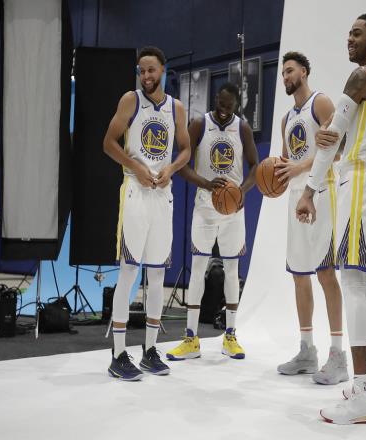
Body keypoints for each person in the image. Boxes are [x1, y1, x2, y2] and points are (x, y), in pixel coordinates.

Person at [296, 13, 366, 424]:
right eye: (348, 34)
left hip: (358, 182)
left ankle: (360, 396)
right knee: (363, 284)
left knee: (353, 282)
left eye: (357, 33)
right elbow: (339, 134)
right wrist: (334, 136)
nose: (349, 39)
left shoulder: (360, 77)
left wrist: (308, 190)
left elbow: (331, 135)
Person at [103, 46, 191, 380]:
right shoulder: (131, 100)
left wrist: (171, 168)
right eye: (141, 70)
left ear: (163, 70)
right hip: (136, 192)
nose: (146, 76)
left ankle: (150, 350)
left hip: (162, 195)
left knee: (156, 276)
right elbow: (108, 143)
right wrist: (136, 167)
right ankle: (118, 354)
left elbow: (186, 149)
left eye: (151, 70)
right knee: (128, 272)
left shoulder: (176, 108)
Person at [166, 82, 258, 361]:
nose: (224, 110)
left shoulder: (242, 128)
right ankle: (191, 339)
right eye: (221, 104)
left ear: (236, 106)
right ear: (216, 98)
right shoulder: (199, 124)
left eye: (229, 106)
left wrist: (242, 191)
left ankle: (230, 336)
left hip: (233, 212)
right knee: (197, 270)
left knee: (232, 270)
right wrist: (205, 184)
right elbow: (181, 164)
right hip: (205, 208)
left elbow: (255, 166)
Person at [275, 52, 348, 385]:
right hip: (295, 196)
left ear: (304, 72)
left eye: (290, 70)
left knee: (325, 272)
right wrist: (273, 176)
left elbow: (338, 147)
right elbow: (286, 161)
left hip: (321, 192)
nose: (285, 76)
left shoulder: (321, 102)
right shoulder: (286, 118)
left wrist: (301, 168)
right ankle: (307, 351)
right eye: (283, 73)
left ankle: (338, 356)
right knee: (299, 274)